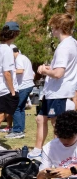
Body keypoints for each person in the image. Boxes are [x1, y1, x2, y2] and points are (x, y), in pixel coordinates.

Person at [9, 111, 77, 179]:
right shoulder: (49, 147)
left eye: (69, 138)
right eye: (62, 138)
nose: (65, 141)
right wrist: (44, 174)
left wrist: (71, 171)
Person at [28, 14, 77, 160]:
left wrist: (44, 70)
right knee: (41, 119)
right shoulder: (72, 43)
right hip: (54, 92)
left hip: (58, 92)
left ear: (59, 28)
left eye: (53, 27)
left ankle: (59, 155)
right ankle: (37, 150)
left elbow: (59, 73)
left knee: (57, 125)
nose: (51, 30)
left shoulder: (64, 47)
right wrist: (49, 68)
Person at [0, 22, 20, 152]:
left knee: (0, 115)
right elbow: (7, 72)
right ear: (14, 34)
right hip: (5, 88)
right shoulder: (7, 50)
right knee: (0, 116)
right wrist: (12, 90)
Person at [5, 45, 35, 139]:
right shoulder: (24, 58)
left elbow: (20, 71)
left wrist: (10, 71)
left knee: (16, 108)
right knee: (21, 108)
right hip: (27, 85)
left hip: (23, 86)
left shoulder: (19, 59)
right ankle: (20, 130)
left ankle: (17, 130)